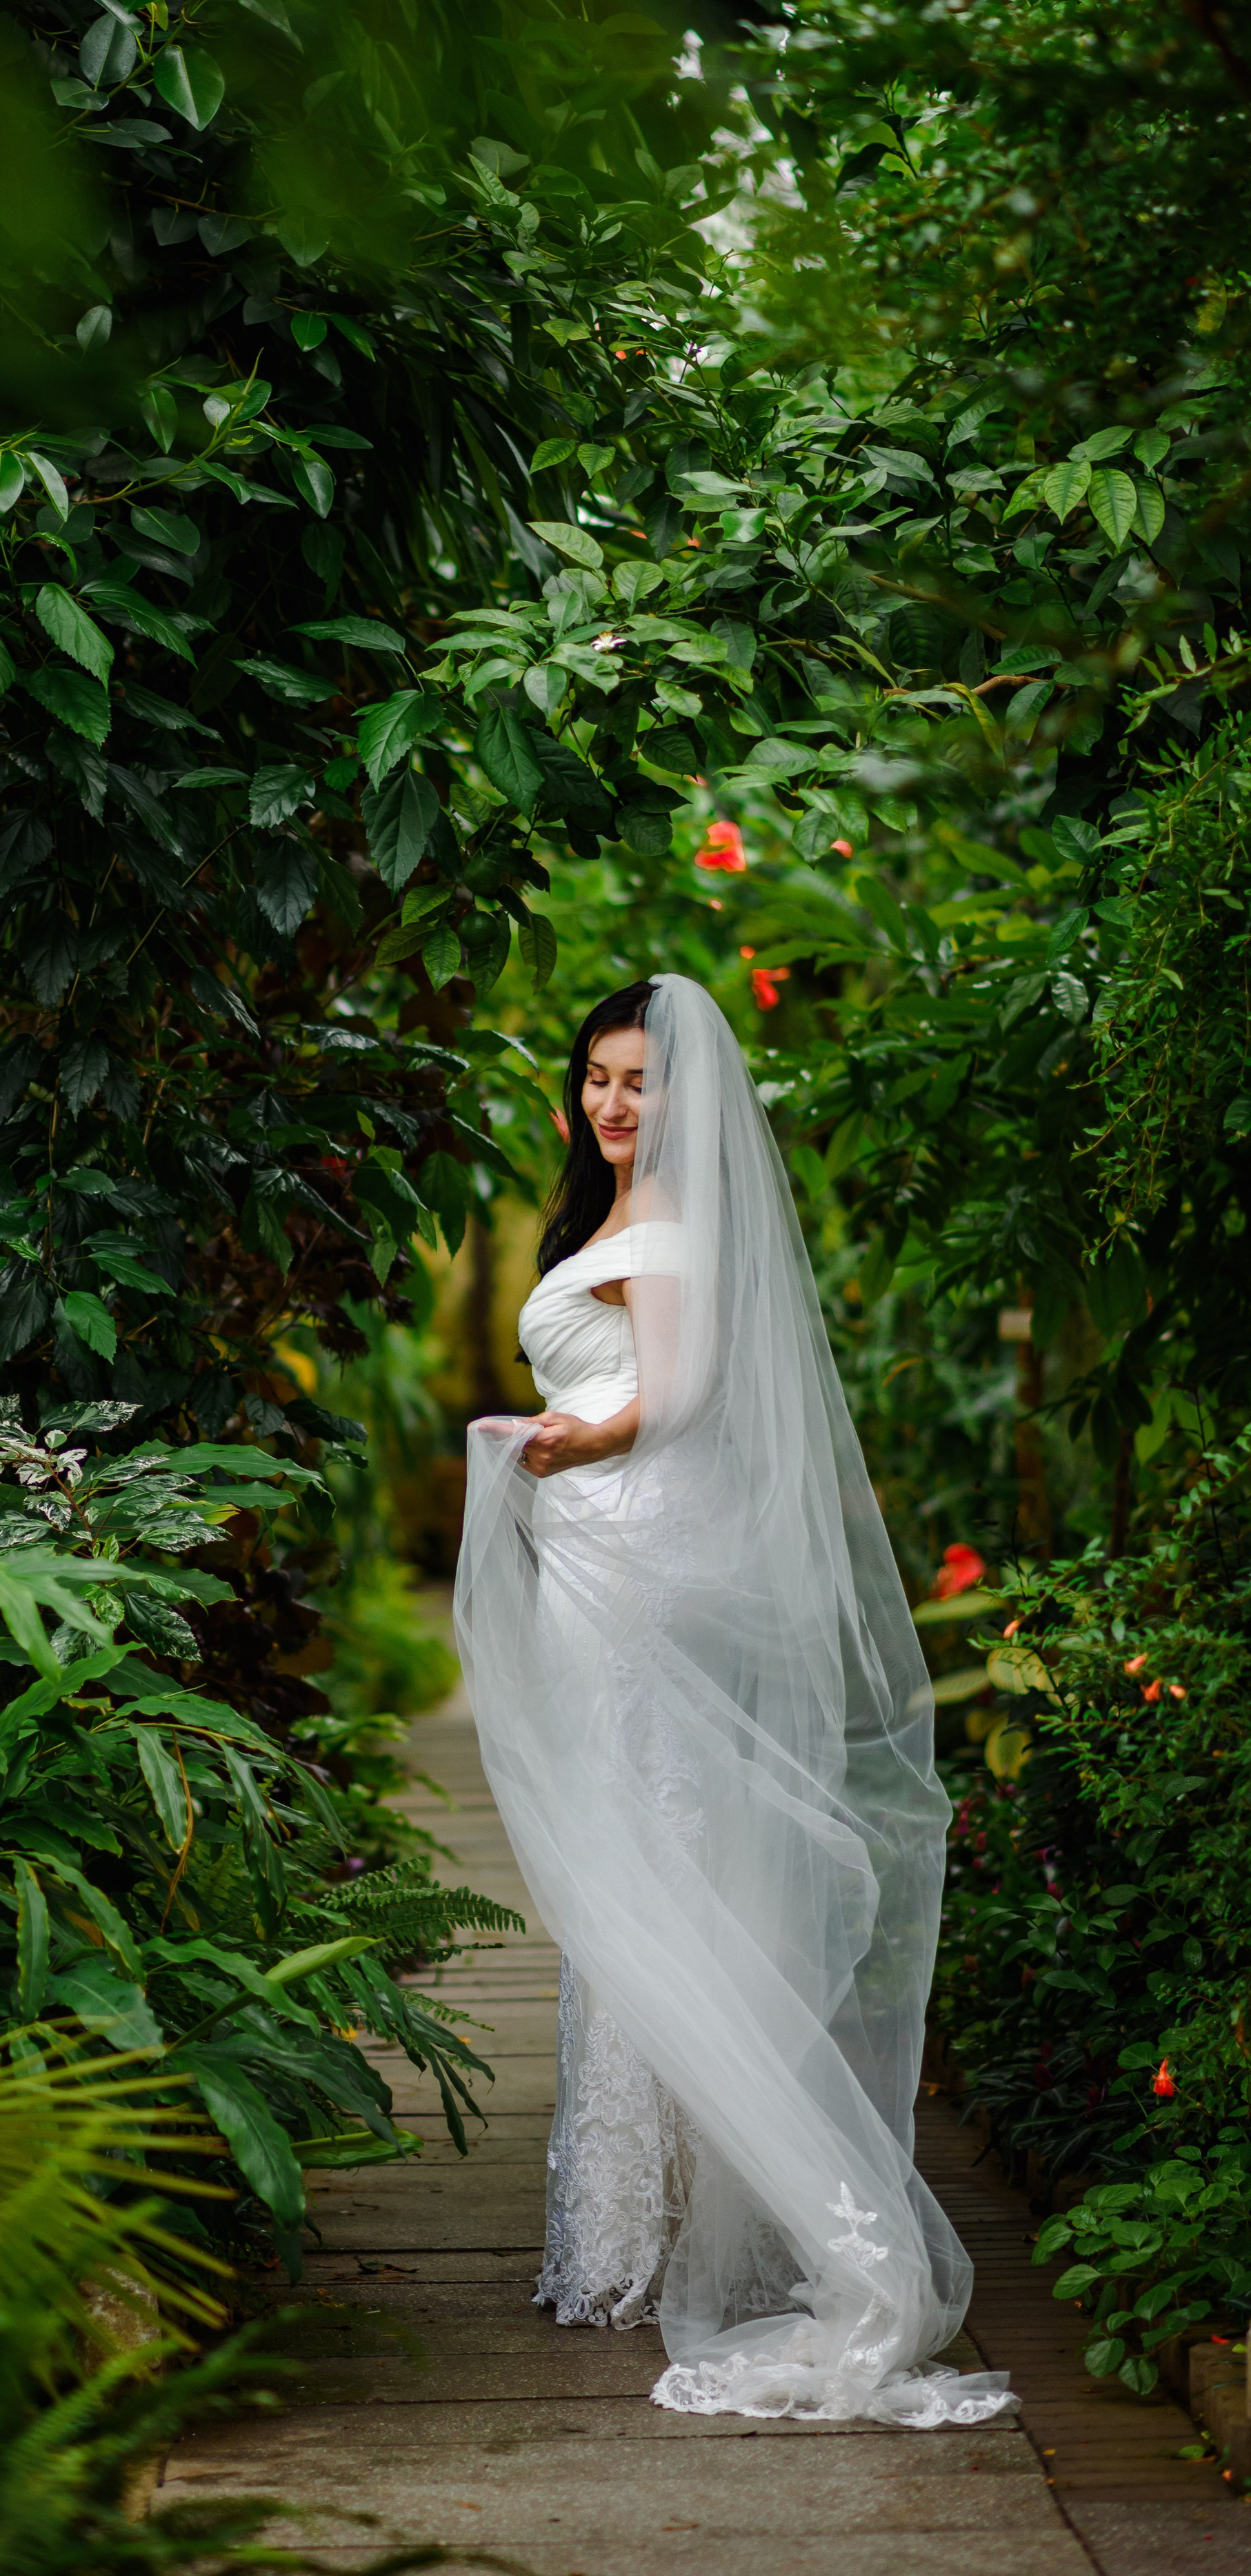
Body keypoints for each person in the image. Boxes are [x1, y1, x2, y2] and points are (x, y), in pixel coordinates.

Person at [453, 974, 1016, 2426]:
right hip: (612, 1550)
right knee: (636, 1870)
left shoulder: (668, 1232)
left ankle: (681, 2226)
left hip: (627, 1558)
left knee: (645, 1870)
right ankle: (634, 2223)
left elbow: (681, 1392)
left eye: (639, 1080)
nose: (611, 1102)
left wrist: (557, 1448)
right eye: (594, 1075)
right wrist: (560, 1450)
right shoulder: (604, 1222)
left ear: (685, 1096)